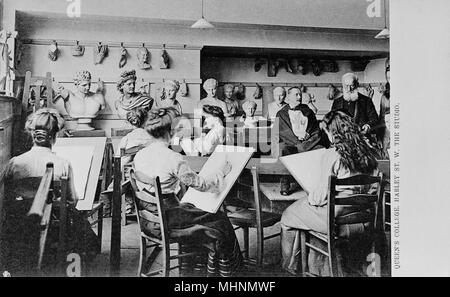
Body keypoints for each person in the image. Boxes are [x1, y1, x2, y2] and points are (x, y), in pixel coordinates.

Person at [133, 107, 242, 276]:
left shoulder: (140, 155)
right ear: (171, 131)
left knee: (196, 209)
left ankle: (195, 269)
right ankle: (225, 272)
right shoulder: (173, 158)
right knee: (219, 220)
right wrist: (222, 171)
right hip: (168, 219)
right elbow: (202, 185)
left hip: (149, 220)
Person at [280, 110, 379, 276]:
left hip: (336, 218)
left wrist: (310, 197)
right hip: (363, 215)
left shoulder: (332, 154)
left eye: (327, 132)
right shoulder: (368, 152)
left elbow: (320, 196)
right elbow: (374, 188)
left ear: (333, 132)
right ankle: (319, 267)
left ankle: (289, 267)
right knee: (303, 211)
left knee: (288, 215)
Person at [0, 108, 98, 275]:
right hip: (54, 229)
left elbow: (4, 199)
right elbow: (72, 200)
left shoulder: (14, 163)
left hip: (18, 226)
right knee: (86, 236)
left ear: (31, 134)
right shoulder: (62, 164)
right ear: (55, 135)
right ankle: (69, 270)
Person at [277, 86, 327, 195]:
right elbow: (283, 132)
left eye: (300, 94)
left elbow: (316, 131)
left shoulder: (308, 111)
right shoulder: (281, 114)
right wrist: (298, 143)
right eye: (296, 95)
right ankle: (285, 185)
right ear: (288, 97)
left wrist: (307, 137)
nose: (299, 97)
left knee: (321, 150)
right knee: (284, 150)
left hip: (308, 143)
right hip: (290, 143)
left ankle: (315, 185)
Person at [379, 63, 390, 159]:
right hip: (387, 132)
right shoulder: (384, 97)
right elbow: (381, 117)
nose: (391, 81)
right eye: (388, 78)